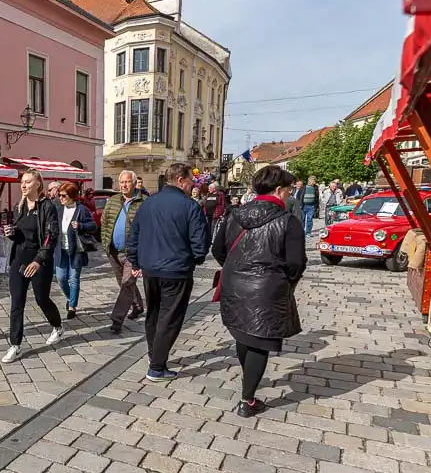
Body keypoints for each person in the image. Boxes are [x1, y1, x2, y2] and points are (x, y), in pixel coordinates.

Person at [213, 165, 307, 418]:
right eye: (288, 190)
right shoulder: (288, 221)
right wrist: (281, 280)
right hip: (267, 289)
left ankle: (248, 382)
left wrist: (236, 269)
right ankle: (248, 400)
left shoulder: (235, 214)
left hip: (234, 285)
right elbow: (297, 263)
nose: (289, 195)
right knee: (258, 341)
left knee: (244, 334)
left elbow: (217, 249)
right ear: (278, 191)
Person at [126, 162, 209, 382]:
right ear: (180, 180)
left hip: (150, 269)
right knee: (169, 318)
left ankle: (155, 356)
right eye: (190, 180)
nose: (192, 184)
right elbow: (200, 245)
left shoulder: (148, 204)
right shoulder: (190, 207)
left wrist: (135, 262)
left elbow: (132, 237)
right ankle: (156, 366)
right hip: (176, 270)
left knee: (154, 314)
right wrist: (194, 259)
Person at [2, 170, 64, 362]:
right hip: (19, 258)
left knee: (41, 299)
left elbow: (50, 237)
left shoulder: (47, 207)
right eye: (22, 182)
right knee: (17, 301)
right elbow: (20, 234)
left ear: (38, 184)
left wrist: (38, 261)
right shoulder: (19, 207)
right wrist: (10, 233)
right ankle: (15, 345)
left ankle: (58, 326)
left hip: (39, 260)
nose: (23, 185)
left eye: (27, 182)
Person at [101, 170, 147, 332]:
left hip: (131, 253)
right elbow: (104, 221)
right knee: (124, 283)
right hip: (113, 251)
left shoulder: (144, 202)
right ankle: (138, 306)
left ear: (134, 183)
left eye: (127, 182)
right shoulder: (113, 201)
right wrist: (106, 242)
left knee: (127, 285)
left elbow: (148, 229)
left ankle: (116, 320)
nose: (124, 185)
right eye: (121, 182)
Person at [53, 181, 98, 319]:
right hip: (61, 250)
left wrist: (81, 225)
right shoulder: (59, 209)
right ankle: (69, 297)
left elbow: (93, 225)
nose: (60, 198)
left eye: (64, 196)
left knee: (73, 278)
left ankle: (72, 306)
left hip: (76, 250)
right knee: (60, 278)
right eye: (59, 195)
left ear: (72, 196)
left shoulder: (81, 210)